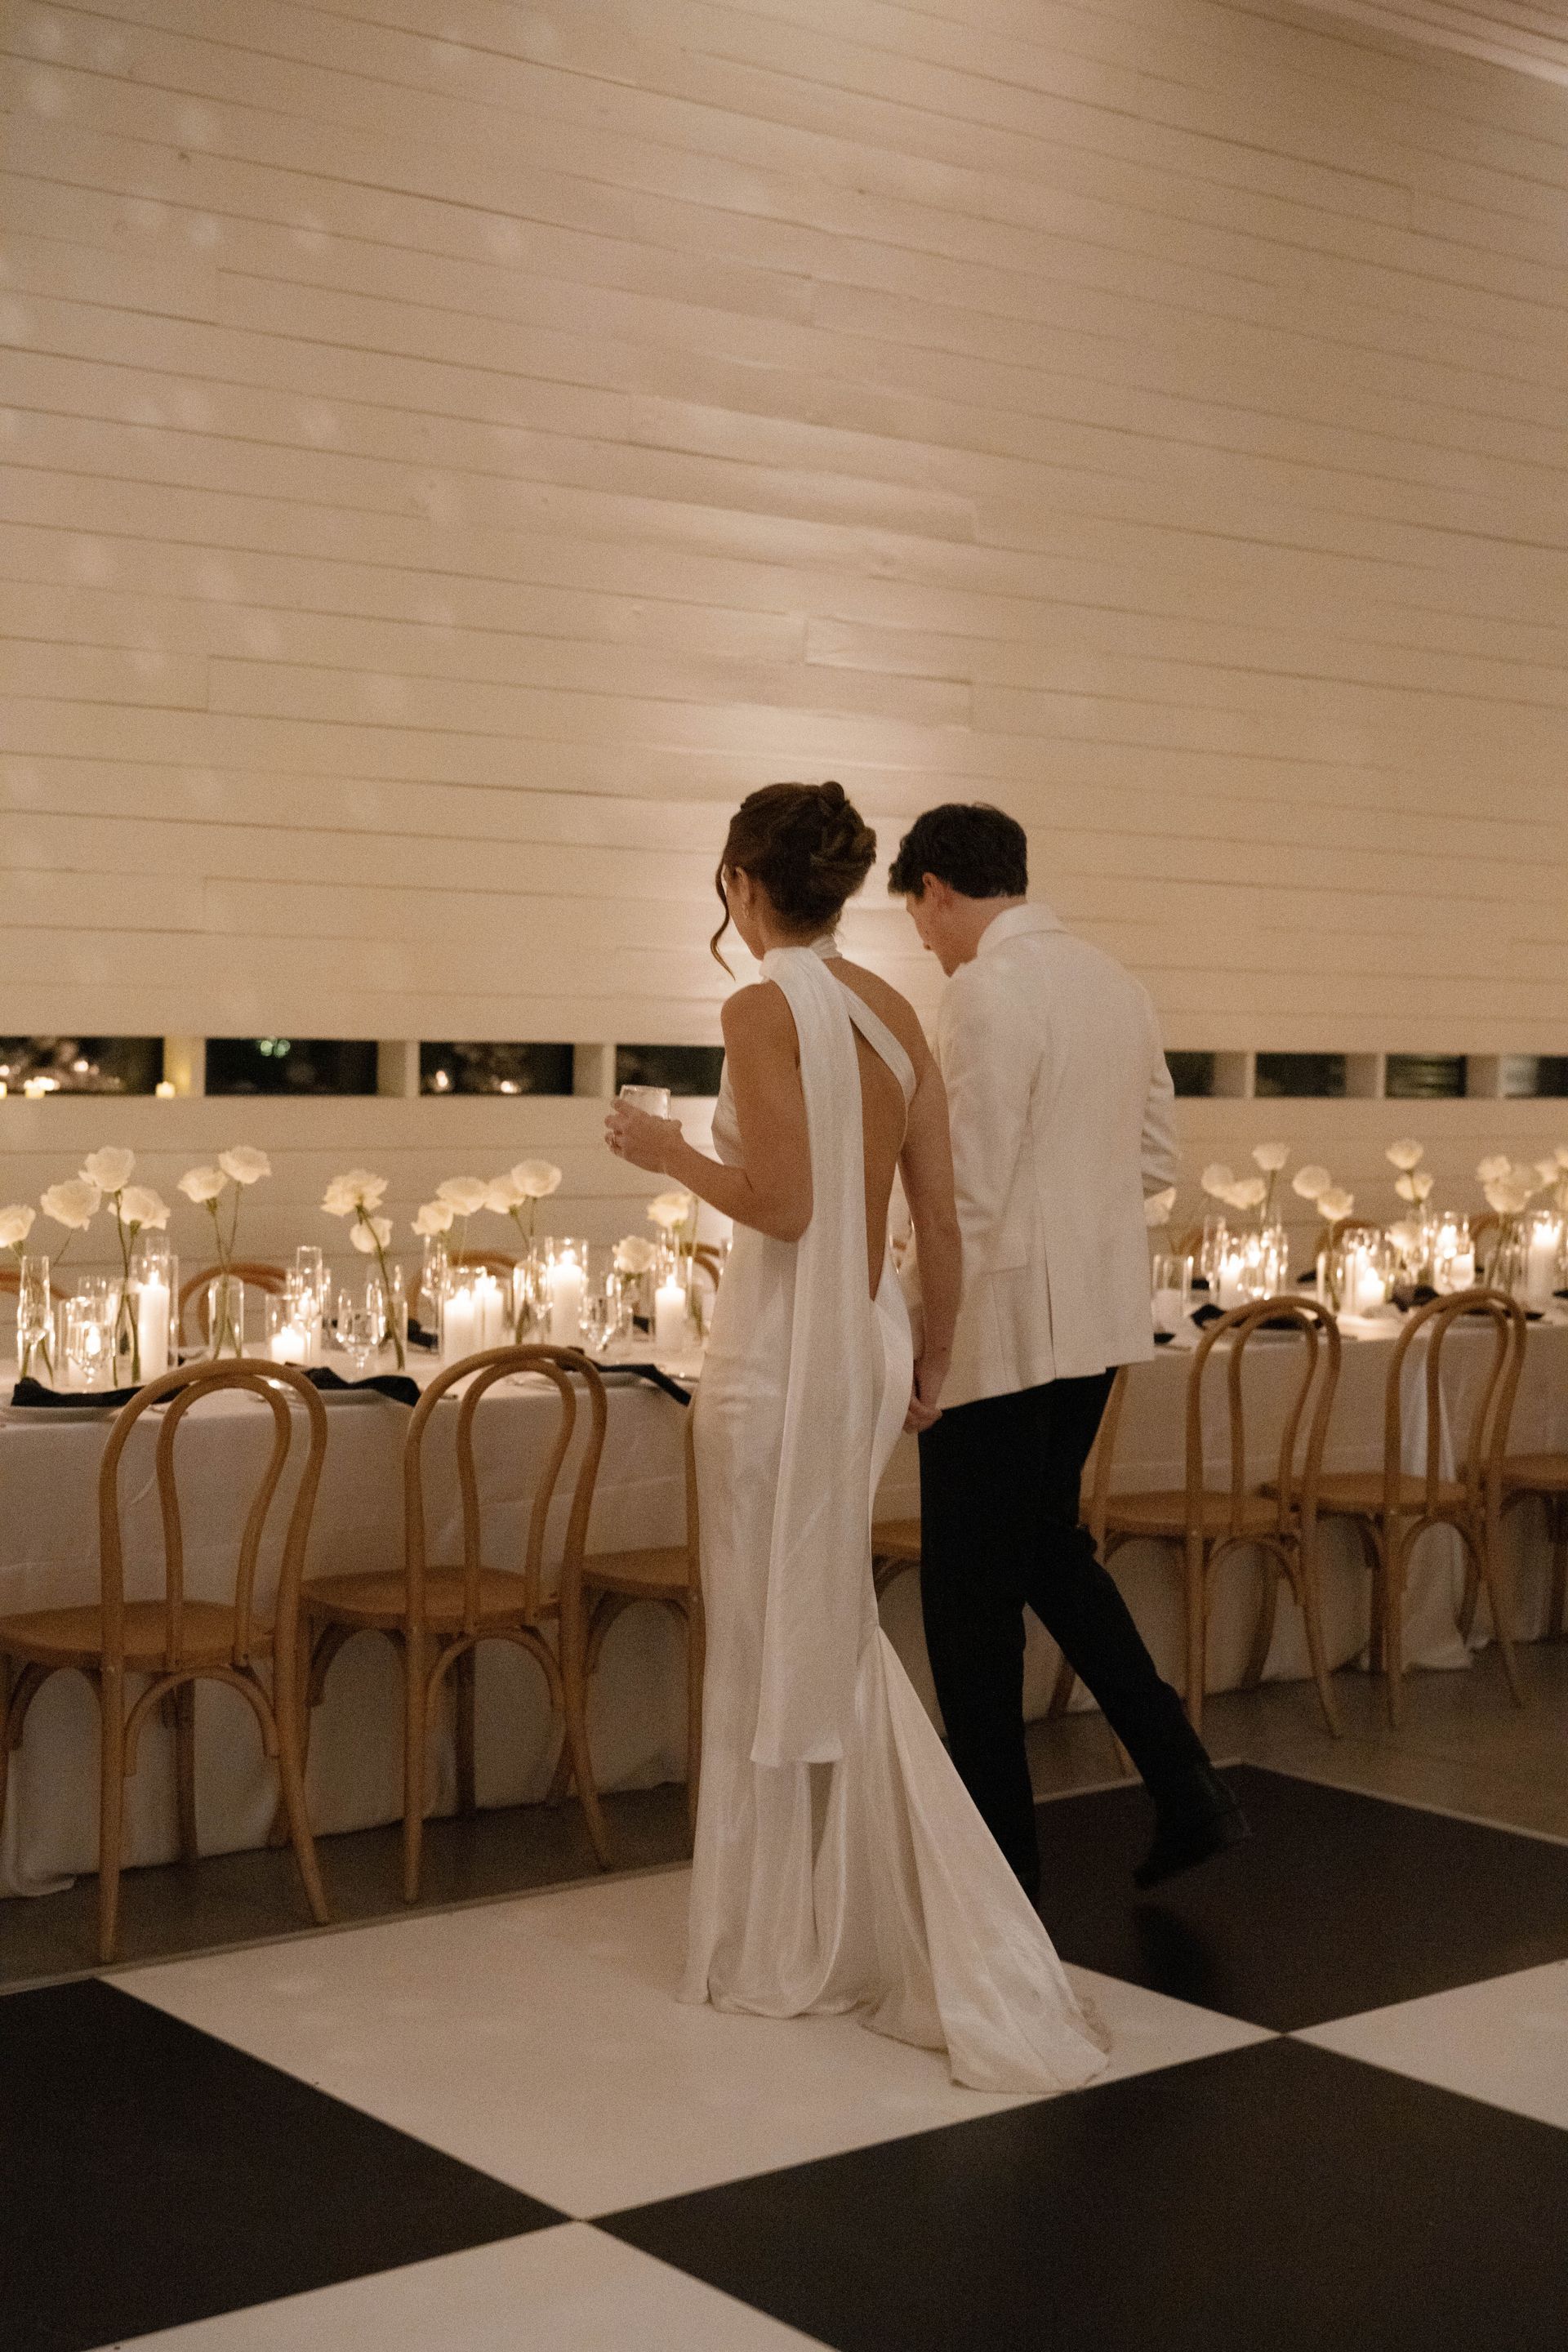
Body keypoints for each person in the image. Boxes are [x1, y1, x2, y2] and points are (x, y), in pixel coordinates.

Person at [606, 782, 1108, 2096]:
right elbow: (939, 1222)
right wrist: (933, 1355)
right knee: (820, 1614)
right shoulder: (894, 1012)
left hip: (778, 1361)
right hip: (867, 1352)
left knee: (775, 1625)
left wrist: (662, 1148)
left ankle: (779, 1935)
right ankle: (838, 1910)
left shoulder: (759, 1006)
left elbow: (781, 1201)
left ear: (740, 883)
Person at [887, 803, 1250, 1895]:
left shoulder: (986, 992)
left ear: (941, 886)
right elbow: (1151, 1159)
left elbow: (970, 1187)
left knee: (966, 1600)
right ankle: (1186, 1782)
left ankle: (1000, 1869)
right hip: (1095, 1322)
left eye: (919, 913)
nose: (923, 938)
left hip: (999, 1335)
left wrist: (918, 1327)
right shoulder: (1114, 981)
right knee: (1047, 1552)